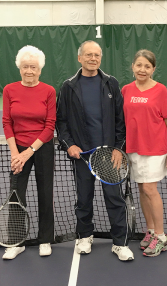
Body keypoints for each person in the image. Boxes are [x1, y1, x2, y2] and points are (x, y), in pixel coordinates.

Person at [56, 40, 134, 261]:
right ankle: (84, 235)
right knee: (84, 198)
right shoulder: (68, 86)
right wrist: (69, 144)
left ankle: (120, 243)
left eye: (97, 55)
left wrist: (119, 148)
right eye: (88, 55)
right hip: (82, 155)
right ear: (79, 58)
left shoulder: (111, 83)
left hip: (109, 155)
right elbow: (61, 122)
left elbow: (121, 120)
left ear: (101, 58)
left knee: (114, 198)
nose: (93, 58)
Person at [2, 45, 56, 260]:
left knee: (45, 193)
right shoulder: (9, 90)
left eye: (33, 67)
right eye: (25, 67)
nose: (29, 71)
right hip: (17, 149)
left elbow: (50, 125)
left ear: (40, 69)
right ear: (19, 68)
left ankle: (45, 240)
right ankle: (16, 241)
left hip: (42, 148)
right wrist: (16, 153)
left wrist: (28, 152)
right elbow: (7, 122)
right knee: (15, 195)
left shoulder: (49, 91)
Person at [121, 49, 167, 257]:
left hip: (155, 148)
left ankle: (161, 237)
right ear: (132, 67)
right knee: (142, 189)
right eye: (139, 65)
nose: (142, 69)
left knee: (150, 189)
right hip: (134, 148)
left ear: (153, 69)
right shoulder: (125, 90)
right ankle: (151, 230)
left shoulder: (160, 91)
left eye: (147, 66)